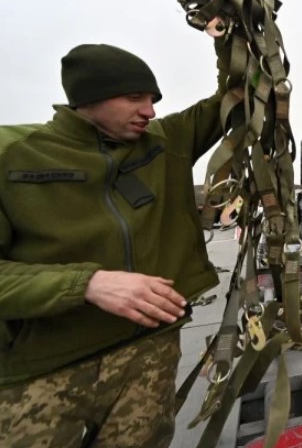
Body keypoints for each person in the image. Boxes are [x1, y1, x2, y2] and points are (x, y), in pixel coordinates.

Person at [0, 40, 228, 447]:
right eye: (135, 97)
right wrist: (88, 284)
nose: (149, 111)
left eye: (153, 100)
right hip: (44, 369)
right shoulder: (13, 155)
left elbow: (237, 95)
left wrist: (231, 32)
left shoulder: (166, 141)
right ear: (88, 97)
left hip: (150, 352)